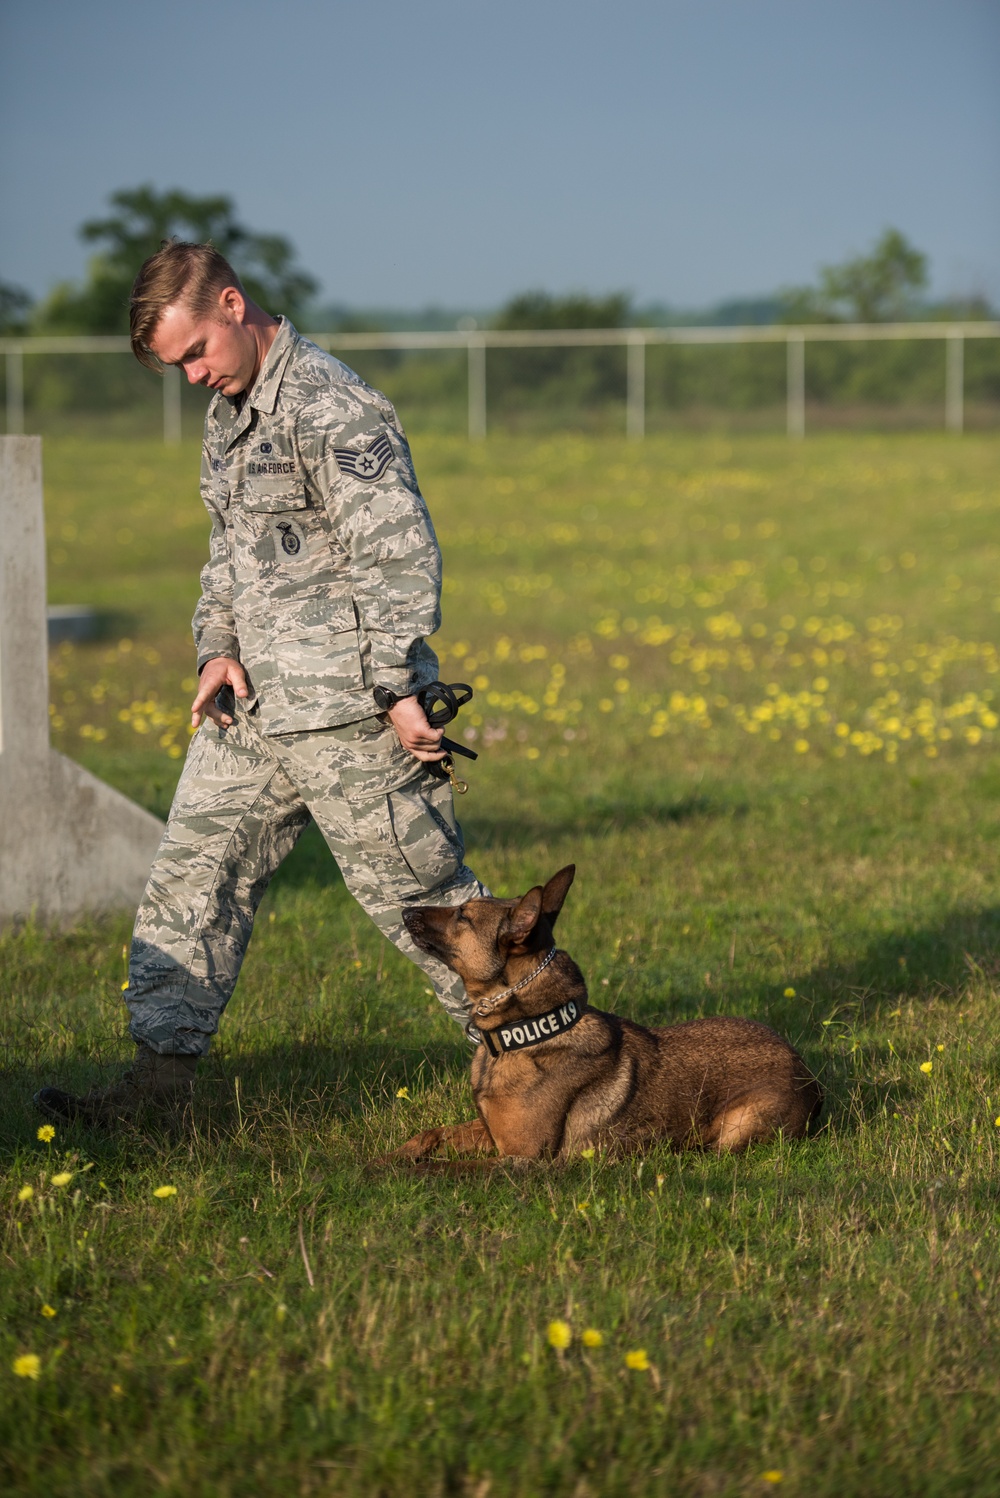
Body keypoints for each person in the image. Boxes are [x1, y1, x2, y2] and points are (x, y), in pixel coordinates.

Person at [35, 240, 487, 1125]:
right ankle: (157, 1094)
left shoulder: (337, 408)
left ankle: (555, 1070)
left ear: (233, 306)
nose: (193, 375)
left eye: (195, 351)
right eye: (176, 367)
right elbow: (228, 556)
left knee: (428, 907)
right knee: (191, 884)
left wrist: (397, 689)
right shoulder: (230, 414)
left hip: (350, 713)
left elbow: (399, 559)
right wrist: (216, 648)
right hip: (253, 711)